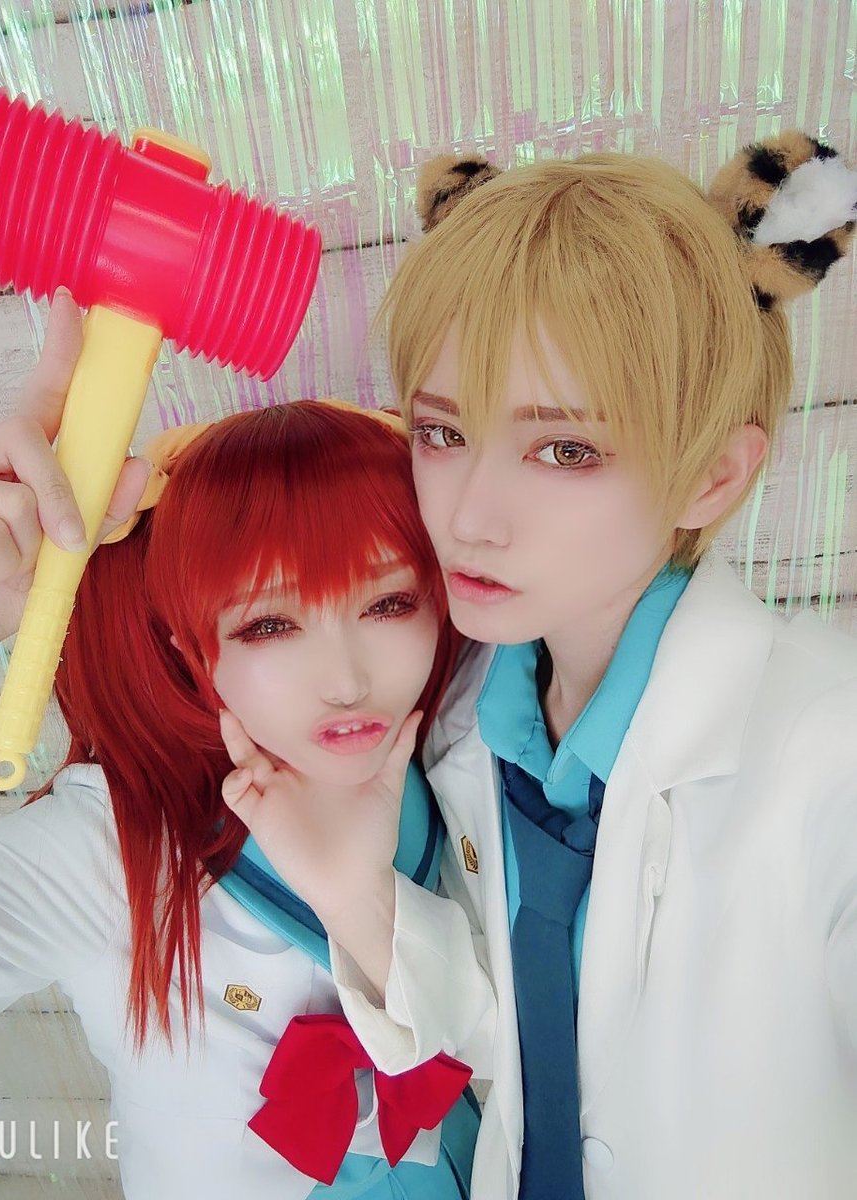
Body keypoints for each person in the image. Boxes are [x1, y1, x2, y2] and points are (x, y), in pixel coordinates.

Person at [219, 131, 857, 1199]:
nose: (470, 515)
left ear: (710, 476)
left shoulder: (831, 752)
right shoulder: (465, 720)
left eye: (564, 450)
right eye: (441, 433)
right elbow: (502, 1050)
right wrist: (354, 898)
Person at [0, 319, 479, 1200]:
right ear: (186, 641)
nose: (347, 680)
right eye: (269, 623)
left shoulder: (461, 751)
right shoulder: (116, 843)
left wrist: (362, 903)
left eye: (390, 603)